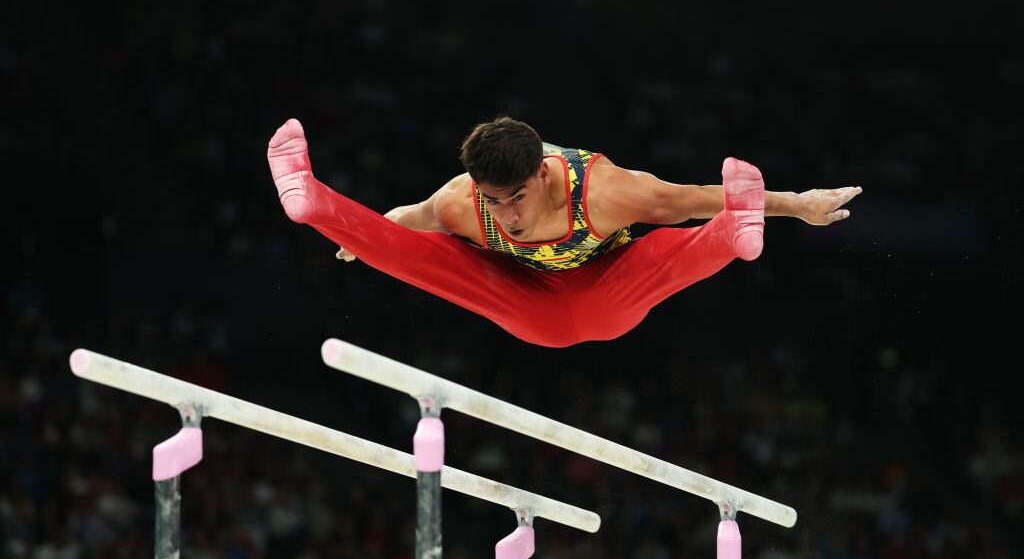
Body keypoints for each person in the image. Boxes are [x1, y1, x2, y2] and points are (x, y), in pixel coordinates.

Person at [267, 117, 860, 347]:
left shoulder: (605, 192)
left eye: (516, 198)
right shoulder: (462, 202)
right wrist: (359, 238)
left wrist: (797, 205)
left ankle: (735, 231)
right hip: (529, 305)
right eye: (493, 201)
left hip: (609, 291)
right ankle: (313, 200)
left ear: (544, 173)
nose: (505, 215)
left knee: (667, 247)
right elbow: (407, 223)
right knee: (429, 254)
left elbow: (686, 200)